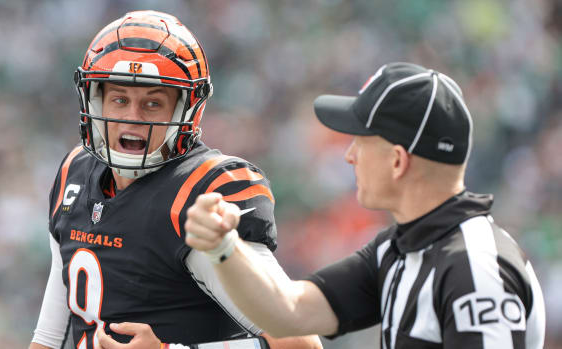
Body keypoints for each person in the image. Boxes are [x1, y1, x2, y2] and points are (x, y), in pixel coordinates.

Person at [184, 62, 547, 348]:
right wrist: (224, 246)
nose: (349, 155)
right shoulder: (399, 248)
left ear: (397, 161)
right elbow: (288, 310)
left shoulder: (475, 267)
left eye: (361, 140)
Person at [29, 10, 321, 349]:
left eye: (152, 104)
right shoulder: (74, 173)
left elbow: (301, 344)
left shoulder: (203, 194)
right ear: (95, 101)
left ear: (184, 111)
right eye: (120, 99)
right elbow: (49, 336)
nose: (131, 118)